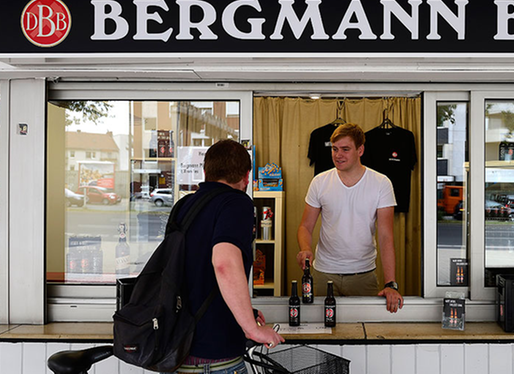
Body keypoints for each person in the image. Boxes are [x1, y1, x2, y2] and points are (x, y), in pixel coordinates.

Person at [172, 139, 283, 374]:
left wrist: (244, 313)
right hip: (214, 359)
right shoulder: (236, 203)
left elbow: (194, 274)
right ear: (246, 176)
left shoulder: (184, 206)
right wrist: (251, 328)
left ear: (205, 172)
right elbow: (224, 264)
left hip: (177, 351)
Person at [297, 123, 404, 313]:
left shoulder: (381, 183)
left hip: (363, 275)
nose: (338, 155)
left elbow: (386, 236)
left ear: (360, 150)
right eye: (335, 149)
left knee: (365, 333)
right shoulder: (320, 182)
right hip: (323, 272)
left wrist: (391, 284)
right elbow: (305, 226)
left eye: (345, 149)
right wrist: (305, 249)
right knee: (319, 330)